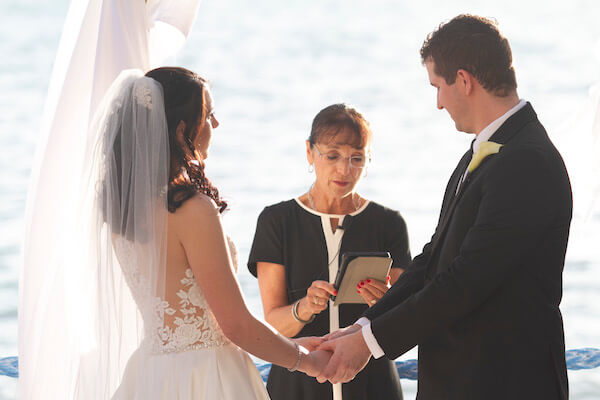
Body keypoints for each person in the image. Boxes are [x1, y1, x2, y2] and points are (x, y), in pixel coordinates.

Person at [27, 66, 332, 399]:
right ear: (183, 130)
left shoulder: (123, 211)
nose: (216, 125)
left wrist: (286, 345)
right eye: (210, 115)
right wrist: (306, 362)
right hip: (207, 378)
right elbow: (235, 325)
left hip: (150, 375)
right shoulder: (191, 209)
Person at [316, 15, 572, 400]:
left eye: (438, 86)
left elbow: (467, 280)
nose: (437, 103)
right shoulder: (486, 153)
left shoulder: (527, 162)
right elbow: (435, 260)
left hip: (504, 383)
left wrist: (369, 343)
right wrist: (364, 325)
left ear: (464, 81)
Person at [248, 104, 412, 400]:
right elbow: (273, 324)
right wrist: (305, 307)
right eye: (333, 155)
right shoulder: (276, 221)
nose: (344, 170)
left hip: (372, 386)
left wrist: (387, 303)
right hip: (298, 385)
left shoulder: (389, 223)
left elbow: (407, 316)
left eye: (356, 158)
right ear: (310, 153)